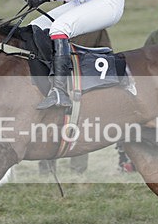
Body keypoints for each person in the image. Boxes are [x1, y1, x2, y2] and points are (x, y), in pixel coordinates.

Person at [38, 29, 112, 175]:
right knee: (51, 125)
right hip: (57, 84)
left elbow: (106, 56)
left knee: (81, 126)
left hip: (83, 84)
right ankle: (47, 170)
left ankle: (78, 172)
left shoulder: (96, 28)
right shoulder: (56, 23)